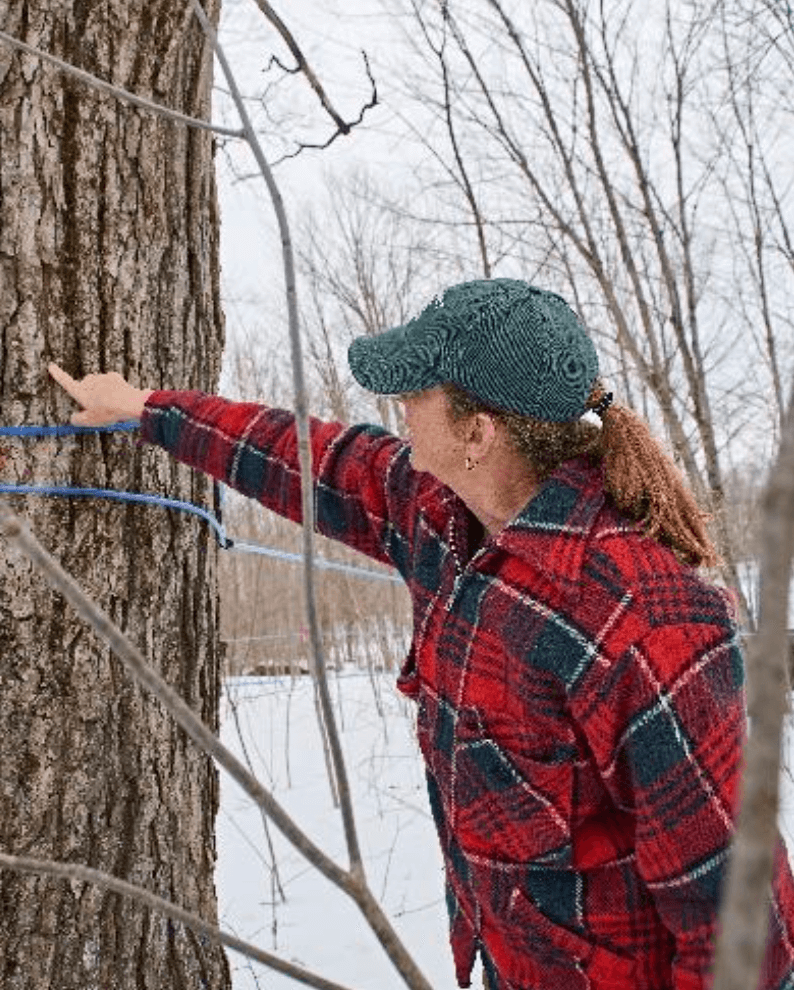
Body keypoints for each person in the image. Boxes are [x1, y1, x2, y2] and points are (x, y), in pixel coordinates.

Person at [48, 278, 794, 989]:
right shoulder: (442, 515)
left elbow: (737, 919)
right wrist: (146, 408)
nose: (398, 409)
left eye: (414, 395)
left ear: (478, 431)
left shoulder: (646, 619)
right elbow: (307, 458)